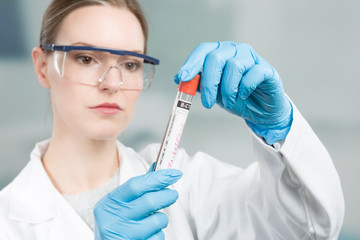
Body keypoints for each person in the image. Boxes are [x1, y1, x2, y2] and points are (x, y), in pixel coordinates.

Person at [0, 0, 344, 239]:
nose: (112, 83)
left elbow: (307, 230)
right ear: (43, 66)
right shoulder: (7, 221)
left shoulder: (187, 184)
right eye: (87, 59)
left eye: (131, 64)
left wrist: (279, 128)